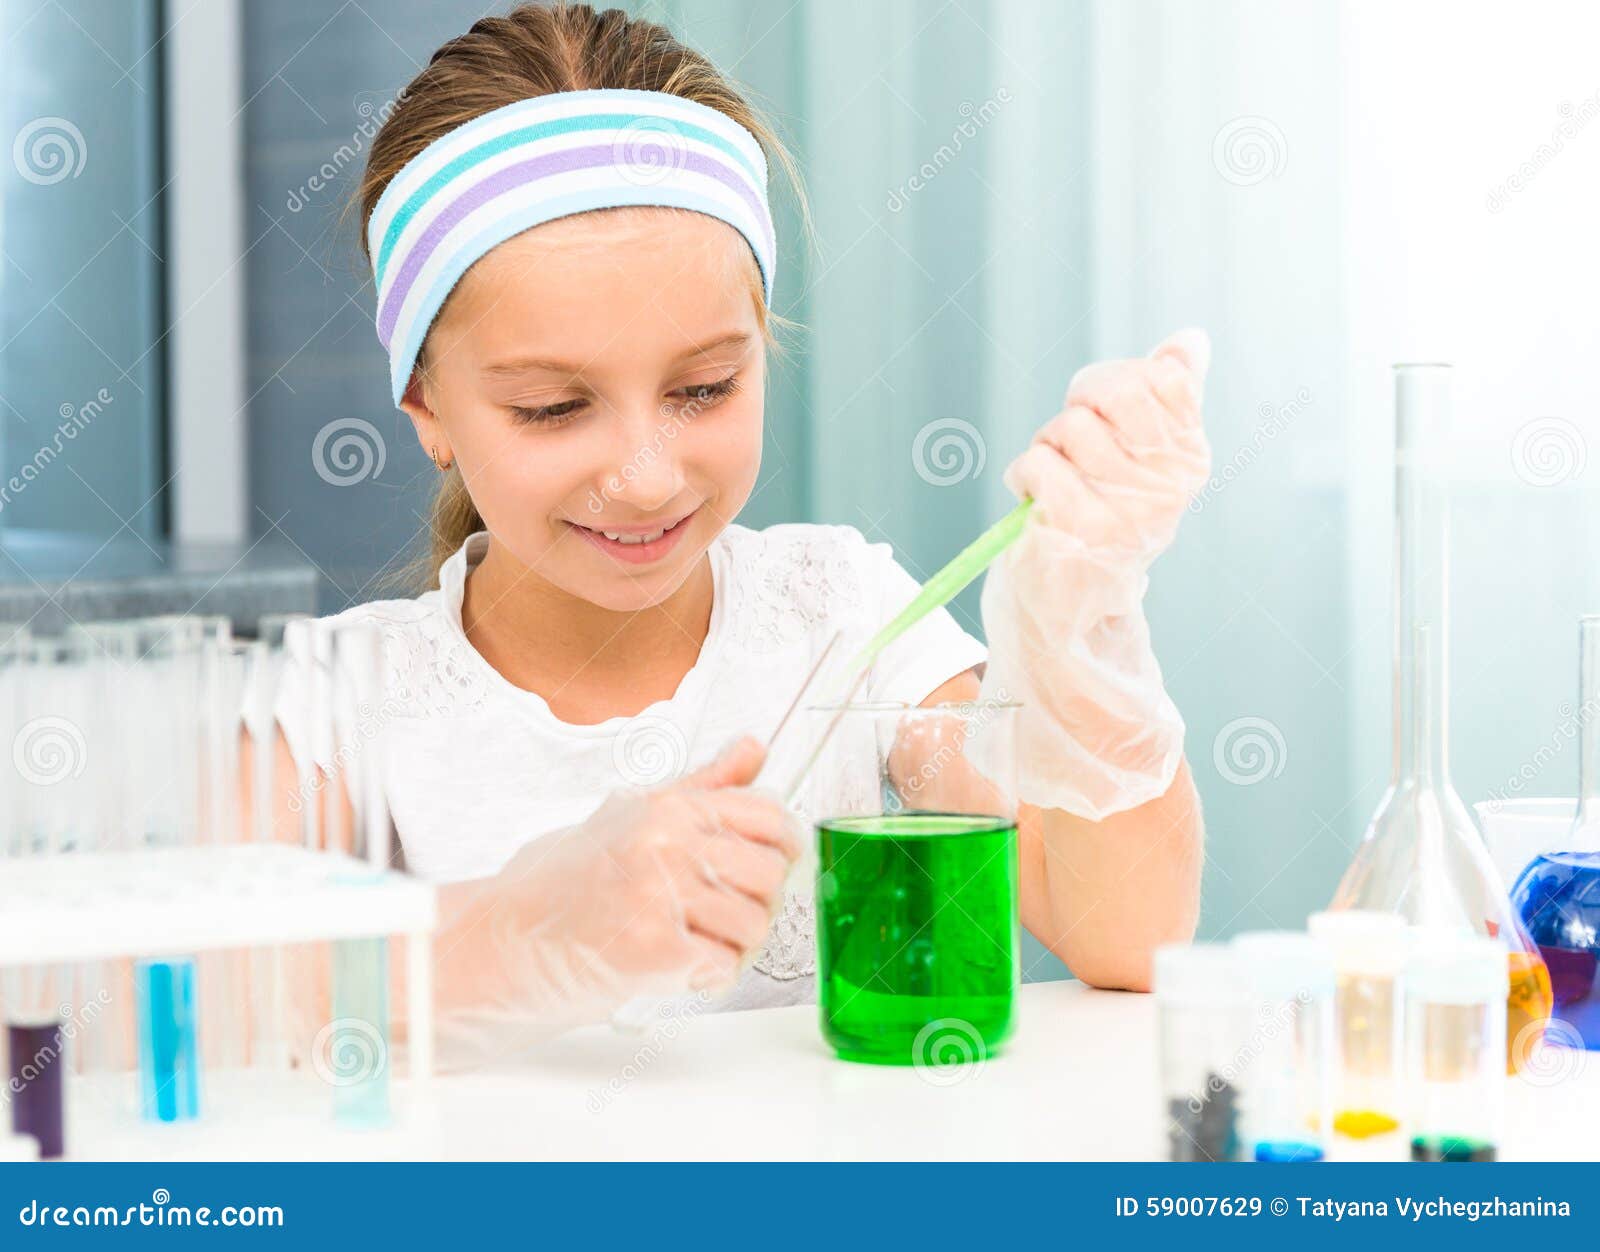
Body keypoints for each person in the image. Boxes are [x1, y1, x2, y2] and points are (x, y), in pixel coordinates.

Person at [263, 1, 1211, 1068]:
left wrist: (1081, 620)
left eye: (704, 387)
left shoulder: (840, 614)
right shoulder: (329, 708)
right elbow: (226, 1015)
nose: (646, 475)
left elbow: (1129, 937)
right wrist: (525, 930)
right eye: (550, 407)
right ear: (427, 405)